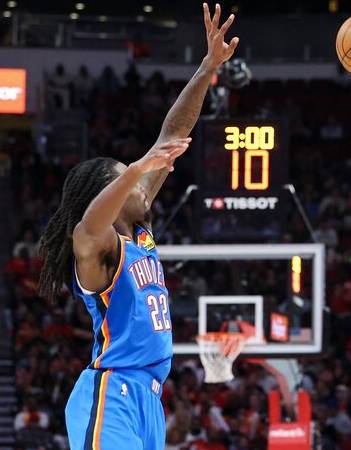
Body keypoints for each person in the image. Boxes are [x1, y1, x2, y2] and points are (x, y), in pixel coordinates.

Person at [37, 4, 239, 449]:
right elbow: (88, 227)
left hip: (149, 398)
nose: (141, 181)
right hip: (111, 393)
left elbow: (172, 134)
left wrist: (207, 67)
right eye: (127, 176)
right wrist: (135, 170)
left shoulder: (140, 232)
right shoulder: (97, 249)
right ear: (109, 195)